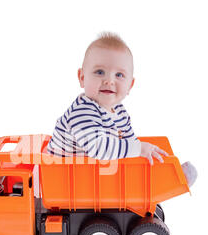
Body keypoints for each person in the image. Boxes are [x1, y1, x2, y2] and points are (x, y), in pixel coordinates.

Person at [47, 32, 197, 186]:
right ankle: (168, 181)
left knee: (137, 158)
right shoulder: (82, 112)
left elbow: (130, 144)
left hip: (91, 175)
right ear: (82, 78)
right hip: (65, 180)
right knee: (132, 163)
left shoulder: (119, 112)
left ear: (130, 85)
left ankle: (167, 174)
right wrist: (138, 149)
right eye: (99, 72)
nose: (109, 80)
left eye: (119, 75)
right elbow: (99, 149)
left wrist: (141, 151)